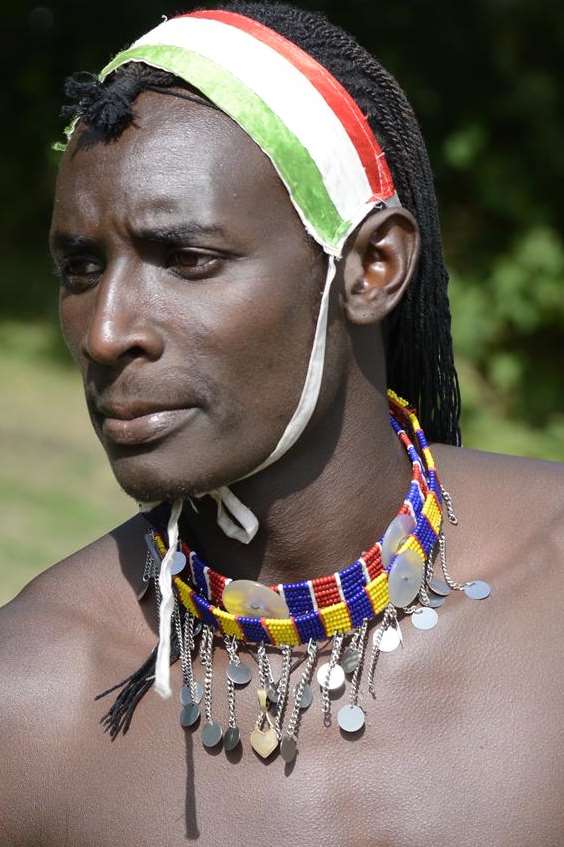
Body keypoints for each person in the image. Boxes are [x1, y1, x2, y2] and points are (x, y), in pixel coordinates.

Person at [2, 2, 563, 845]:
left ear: (372, 268)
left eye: (187, 259)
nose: (105, 330)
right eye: (81, 266)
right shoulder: (35, 696)